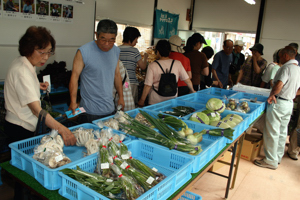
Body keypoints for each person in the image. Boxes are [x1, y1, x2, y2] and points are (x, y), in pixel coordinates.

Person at [4, 26, 76, 146]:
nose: (46, 57)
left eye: (49, 52)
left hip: (20, 123)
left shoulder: (24, 61)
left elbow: (21, 84)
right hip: (20, 127)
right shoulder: (22, 71)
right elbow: (36, 110)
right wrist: (62, 129)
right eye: (41, 52)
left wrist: (36, 84)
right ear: (28, 48)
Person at [69, 19, 124, 123]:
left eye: (112, 40)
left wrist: (121, 97)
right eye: (103, 39)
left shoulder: (116, 51)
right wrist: (73, 101)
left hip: (110, 108)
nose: (107, 44)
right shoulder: (84, 52)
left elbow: (117, 75)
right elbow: (74, 77)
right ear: (96, 35)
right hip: (88, 111)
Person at [254, 46, 300, 170]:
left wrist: (272, 94)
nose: (279, 59)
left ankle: (270, 161)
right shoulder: (297, 69)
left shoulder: (286, 68)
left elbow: (279, 84)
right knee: (282, 132)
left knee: (272, 132)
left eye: (280, 56)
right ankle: (277, 157)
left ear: (285, 56)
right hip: (289, 103)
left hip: (278, 103)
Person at [137, 40, 195, 106]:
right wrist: (193, 90)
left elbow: (148, 85)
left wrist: (142, 100)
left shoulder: (152, 65)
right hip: (172, 99)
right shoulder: (177, 63)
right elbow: (187, 80)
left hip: (155, 100)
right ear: (169, 52)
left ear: (158, 52)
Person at [119, 27, 148, 105]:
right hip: (129, 83)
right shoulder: (134, 51)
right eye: (136, 39)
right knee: (130, 105)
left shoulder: (116, 50)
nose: (137, 41)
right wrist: (145, 58)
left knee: (119, 104)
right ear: (131, 38)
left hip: (118, 82)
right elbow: (143, 67)